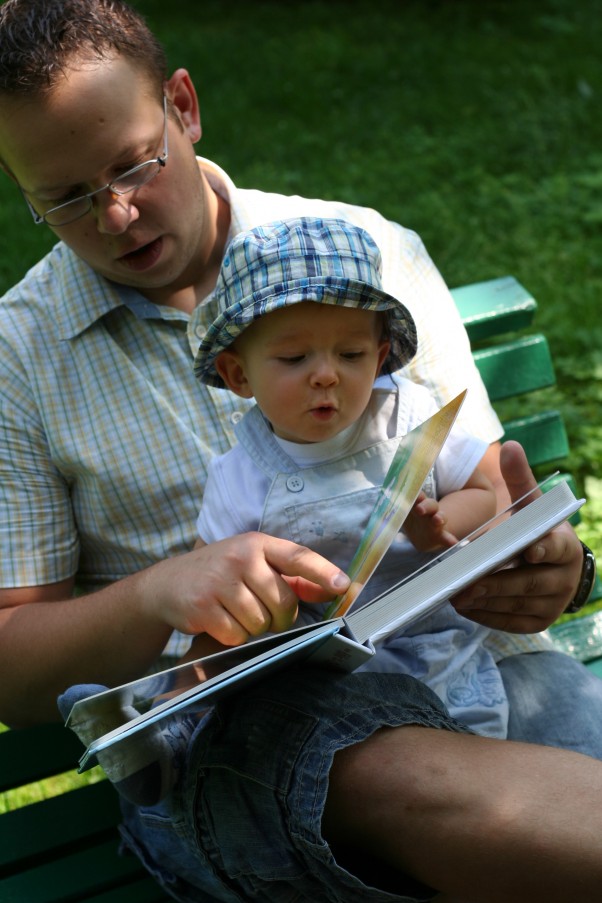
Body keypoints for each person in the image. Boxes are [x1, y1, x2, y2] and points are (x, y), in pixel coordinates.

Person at [0, 1, 600, 900]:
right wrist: (164, 589)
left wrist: (554, 570)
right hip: (245, 735)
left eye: (131, 165)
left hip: (474, 663)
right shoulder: (20, 356)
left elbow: (481, 487)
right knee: (406, 774)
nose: (117, 215)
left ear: (184, 106)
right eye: (68, 199)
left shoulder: (373, 256)